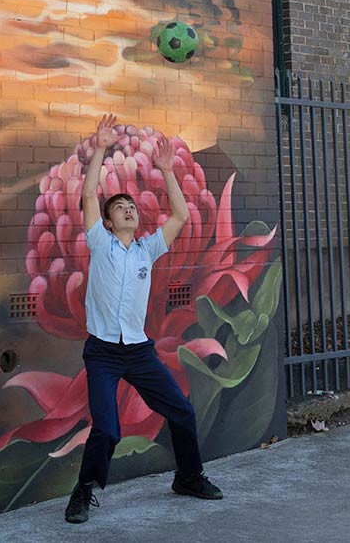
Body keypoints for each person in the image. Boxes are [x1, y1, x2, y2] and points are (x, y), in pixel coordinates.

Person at [64, 114, 223, 525]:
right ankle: (83, 492)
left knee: (182, 412)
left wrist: (168, 170)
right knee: (107, 429)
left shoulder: (146, 250)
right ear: (108, 221)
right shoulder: (100, 243)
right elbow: (88, 196)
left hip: (139, 351)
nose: (129, 211)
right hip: (102, 352)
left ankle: (188, 477)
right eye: (120, 208)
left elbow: (180, 217)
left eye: (132, 207)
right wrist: (101, 148)